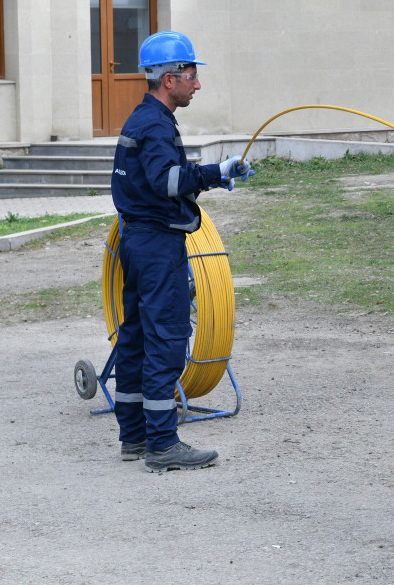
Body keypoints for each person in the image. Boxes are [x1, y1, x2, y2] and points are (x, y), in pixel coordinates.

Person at [110, 30, 253, 472]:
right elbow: (166, 182)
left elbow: (161, 179)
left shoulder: (144, 118)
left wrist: (215, 174)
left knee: (134, 338)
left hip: (137, 241)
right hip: (156, 246)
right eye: (191, 73)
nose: (197, 82)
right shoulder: (155, 124)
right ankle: (163, 446)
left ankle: (134, 437)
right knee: (166, 339)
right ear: (169, 78)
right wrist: (214, 172)